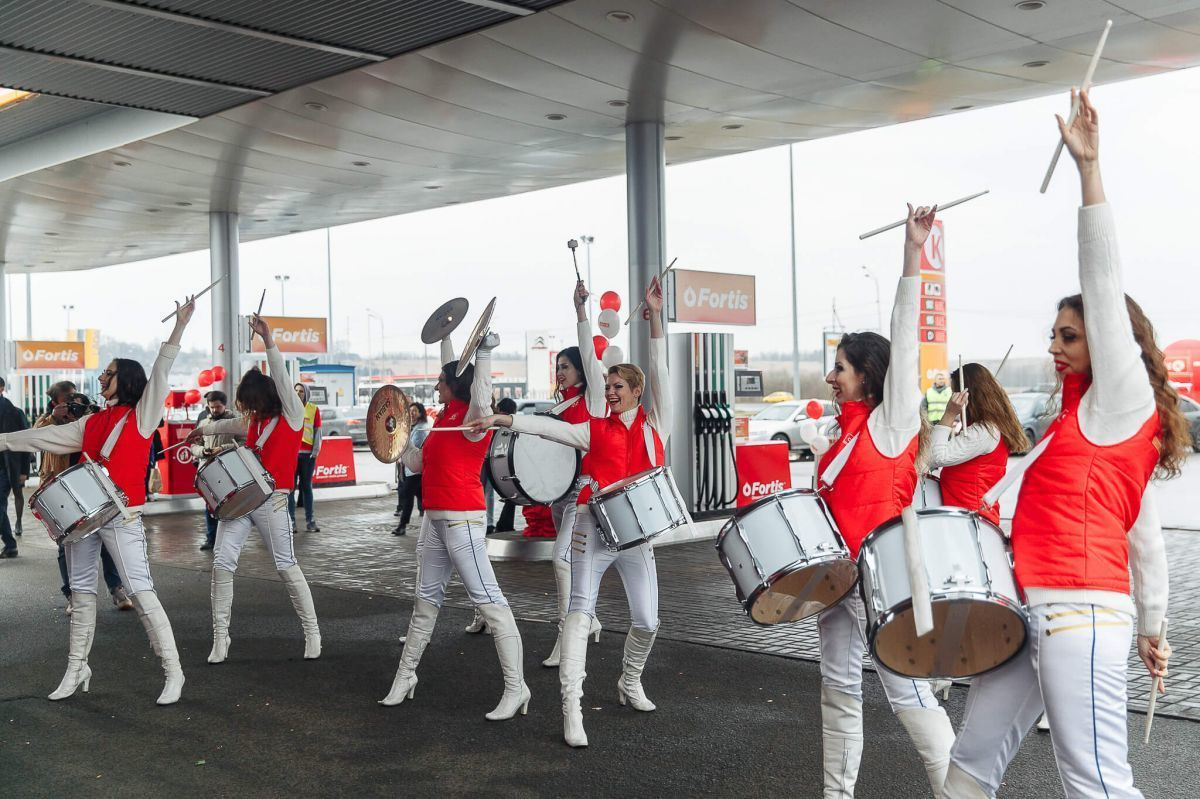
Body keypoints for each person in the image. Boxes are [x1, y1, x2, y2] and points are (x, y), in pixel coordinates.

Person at [942, 89, 1178, 799]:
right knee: (966, 771)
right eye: (1053, 335)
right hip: (1032, 613)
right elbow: (1145, 534)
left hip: (1080, 617)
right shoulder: (1077, 426)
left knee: (1096, 785)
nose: (1054, 347)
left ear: (1111, 342)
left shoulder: (1121, 403)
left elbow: (1102, 283)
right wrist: (1154, 624)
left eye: (1069, 336)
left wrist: (1089, 171)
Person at [470, 276, 669, 748]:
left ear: (637, 391)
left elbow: (660, 366)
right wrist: (503, 418)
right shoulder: (593, 428)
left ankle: (630, 681)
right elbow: (544, 426)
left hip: (636, 534)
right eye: (608, 385)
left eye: (618, 386)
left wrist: (657, 318)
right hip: (591, 527)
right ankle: (571, 710)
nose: (610, 391)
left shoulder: (654, 424)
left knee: (648, 620)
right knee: (580, 613)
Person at [815, 204, 954, 796]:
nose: (830, 377)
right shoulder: (838, 435)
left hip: (879, 578)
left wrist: (911, 254)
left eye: (840, 368)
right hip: (833, 581)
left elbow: (906, 334)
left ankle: (959, 792)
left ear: (869, 375)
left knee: (909, 692)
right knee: (837, 693)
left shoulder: (891, 423)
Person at [0, 296, 196, 705]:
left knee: (140, 591)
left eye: (108, 372)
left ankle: (173, 671)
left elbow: (161, 369)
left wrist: (179, 325)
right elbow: (42, 437)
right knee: (81, 592)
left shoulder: (142, 414)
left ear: (125, 380)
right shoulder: (91, 421)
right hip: (84, 517)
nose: (101, 377)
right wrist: (3, 440)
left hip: (122, 516)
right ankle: (77, 668)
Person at [380, 320, 531, 724]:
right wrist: (395, 441)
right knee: (424, 602)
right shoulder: (446, 418)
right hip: (434, 520)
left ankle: (517, 687)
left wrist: (485, 353)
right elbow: (418, 464)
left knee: (490, 603)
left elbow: (480, 391)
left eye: (441, 381)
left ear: (454, 386)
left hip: (463, 520)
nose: (435, 385)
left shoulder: (475, 419)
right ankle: (405, 677)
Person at [188, 316, 322, 664]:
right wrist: (203, 430)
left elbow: (280, 376)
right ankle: (221, 638)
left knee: (286, 565)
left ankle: (312, 633)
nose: (245, 409)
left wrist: (268, 340)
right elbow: (233, 423)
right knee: (221, 564)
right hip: (242, 500)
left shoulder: (292, 414)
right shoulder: (254, 420)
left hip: (273, 500)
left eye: (248, 402)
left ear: (260, 397)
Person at [537, 279, 608, 667]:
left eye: (565, 366)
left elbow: (588, 351)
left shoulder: (593, 398)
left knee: (561, 558)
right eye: (557, 366)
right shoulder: (558, 405)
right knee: (574, 561)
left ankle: (567, 636)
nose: (559, 371)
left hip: (583, 491)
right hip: (557, 492)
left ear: (582, 369)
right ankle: (589, 619)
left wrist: (580, 311)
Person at [35, 386, 133, 612]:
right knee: (67, 543)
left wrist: (91, 412)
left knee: (106, 539)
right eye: (67, 401)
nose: (72, 405)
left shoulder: (91, 417)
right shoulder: (49, 421)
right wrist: (54, 418)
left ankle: (116, 588)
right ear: (56, 402)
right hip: (60, 488)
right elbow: (36, 434)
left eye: (76, 400)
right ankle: (72, 594)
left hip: (91, 484)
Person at [927, 364, 1030, 525]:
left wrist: (949, 413)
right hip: (969, 517)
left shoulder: (984, 431)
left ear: (967, 396)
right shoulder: (989, 427)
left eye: (954, 393)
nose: (951, 398)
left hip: (970, 521)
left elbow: (935, 456)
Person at [196, 390, 239, 551]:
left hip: (229, 470)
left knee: (229, 507)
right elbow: (194, 445)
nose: (214, 410)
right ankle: (211, 539)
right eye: (211, 407)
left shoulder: (235, 422)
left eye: (218, 407)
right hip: (207, 470)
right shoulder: (203, 423)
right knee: (210, 506)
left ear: (225, 405)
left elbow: (243, 443)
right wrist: (202, 451)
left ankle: (228, 541)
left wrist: (222, 448)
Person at [0, 377, 30, 557]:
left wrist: (24, 470)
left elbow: (25, 441)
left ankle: (11, 544)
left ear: (1, 388)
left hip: (7, 468)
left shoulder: (14, 412)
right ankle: (10, 545)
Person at [393, 402, 429, 536]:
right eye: (410, 411)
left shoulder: (421, 429)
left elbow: (416, 447)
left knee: (408, 496)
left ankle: (402, 525)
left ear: (421, 413)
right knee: (421, 496)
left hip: (416, 470)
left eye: (415, 411)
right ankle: (432, 518)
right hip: (410, 468)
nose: (412, 413)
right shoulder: (411, 427)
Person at [290, 382, 322, 532]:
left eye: (301, 391)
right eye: (296, 390)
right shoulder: (289, 408)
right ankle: (291, 522)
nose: (298, 393)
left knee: (306, 487)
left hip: (307, 455)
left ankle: (311, 521)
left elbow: (318, 432)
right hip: (292, 455)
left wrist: (315, 452)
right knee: (290, 489)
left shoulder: (313, 409)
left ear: (306, 393)